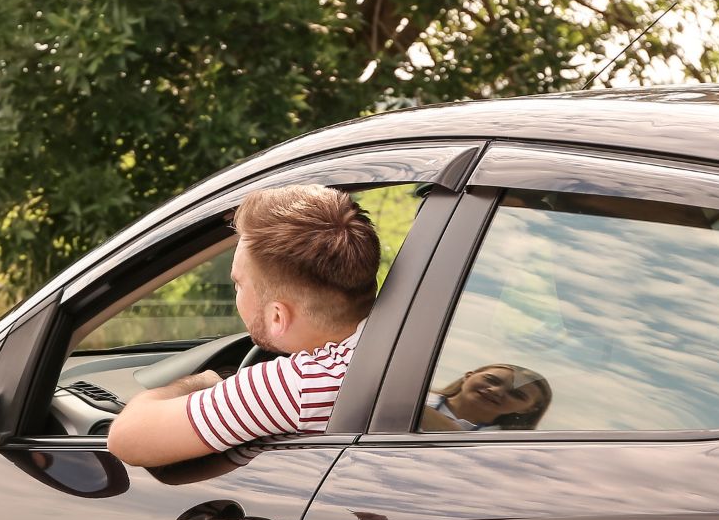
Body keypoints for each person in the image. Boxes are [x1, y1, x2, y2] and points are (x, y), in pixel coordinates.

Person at [108, 185, 381, 466]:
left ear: (278, 317)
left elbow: (126, 438)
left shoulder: (301, 385)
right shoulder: (394, 351)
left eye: (238, 283)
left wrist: (203, 382)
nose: (235, 291)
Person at [420, 364, 553, 431]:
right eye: (491, 380)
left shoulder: (507, 446)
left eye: (516, 394)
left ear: (528, 409)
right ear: (468, 376)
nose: (495, 391)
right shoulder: (408, 396)